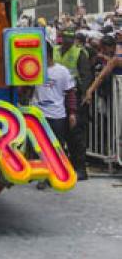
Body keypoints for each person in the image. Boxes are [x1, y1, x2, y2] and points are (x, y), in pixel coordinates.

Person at [33, 41, 78, 188]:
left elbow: (70, 92)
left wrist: (72, 113)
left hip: (57, 115)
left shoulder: (62, 71)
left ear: (47, 54)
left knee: (57, 146)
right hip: (39, 115)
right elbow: (25, 89)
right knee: (42, 148)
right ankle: (45, 177)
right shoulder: (34, 69)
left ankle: (58, 173)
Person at [54, 27, 91, 180]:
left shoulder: (79, 53)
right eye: (65, 38)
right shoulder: (54, 50)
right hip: (57, 96)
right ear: (61, 37)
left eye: (71, 38)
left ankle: (80, 168)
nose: (68, 41)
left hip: (75, 96)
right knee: (59, 133)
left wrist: (84, 95)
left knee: (76, 134)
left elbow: (86, 76)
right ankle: (62, 167)